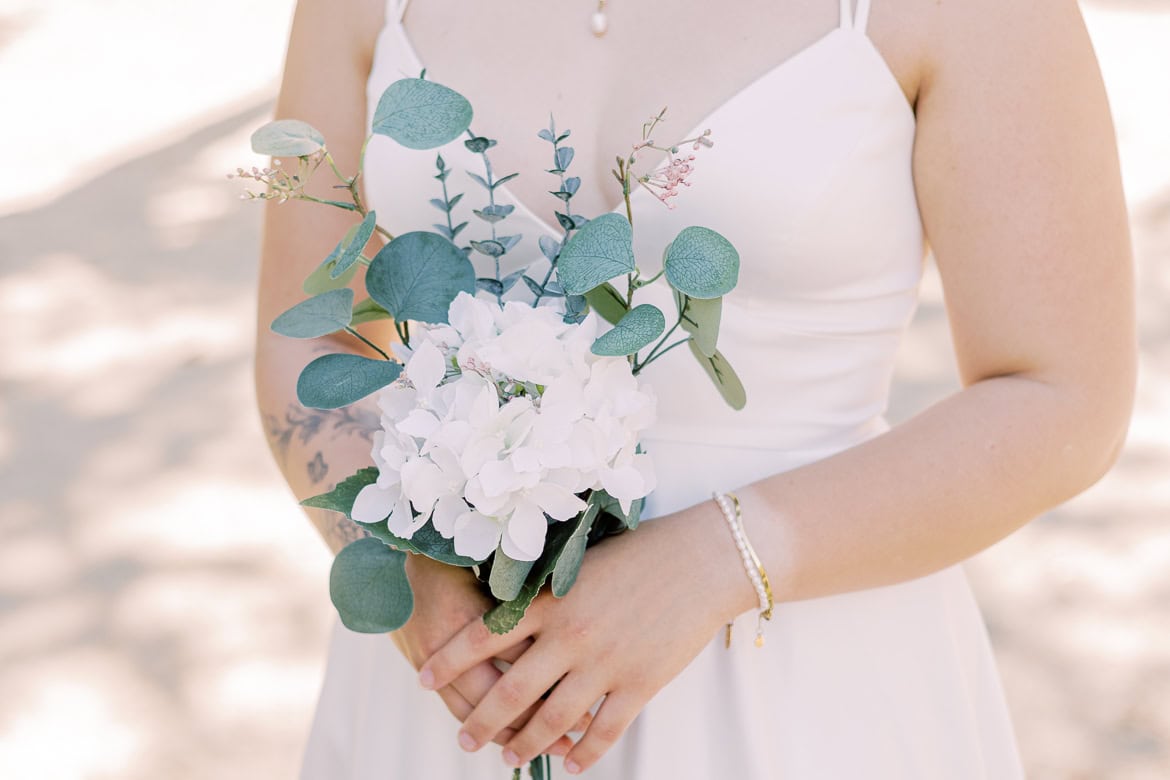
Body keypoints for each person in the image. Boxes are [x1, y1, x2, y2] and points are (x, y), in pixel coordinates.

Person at [255, 0, 1136, 776]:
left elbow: (1061, 393)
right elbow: (304, 336)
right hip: (457, 680)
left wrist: (721, 560)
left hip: (798, 670)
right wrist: (395, 566)